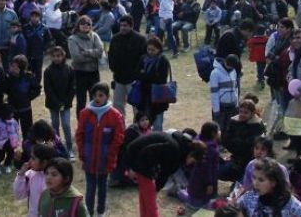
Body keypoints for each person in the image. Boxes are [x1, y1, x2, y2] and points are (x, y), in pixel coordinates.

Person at [125, 130, 205, 217]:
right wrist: (132, 168)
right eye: (193, 161)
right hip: (138, 156)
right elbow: (146, 153)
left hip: (143, 159)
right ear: (191, 154)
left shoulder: (180, 148)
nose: (191, 164)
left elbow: (165, 171)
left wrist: (157, 187)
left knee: (146, 196)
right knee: (150, 201)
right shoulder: (173, 149)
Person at [74, 82, 125, 217]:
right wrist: (82, 152)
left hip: (105, 158)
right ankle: (89, 213)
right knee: (90, 187)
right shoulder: (85, 113)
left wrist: (111, 154)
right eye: (95, 95)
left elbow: (119, 137)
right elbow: (79, 135)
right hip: (89, 157)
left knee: (102, 186)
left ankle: (101, 212)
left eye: (101, 95)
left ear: (107, 96)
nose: (97, 98)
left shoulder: (115, 115)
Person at [236, 158, 301, 217]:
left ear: (273, 182)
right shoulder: (249, 197)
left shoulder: (288, 201)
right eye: (254, 177)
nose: (255, 183)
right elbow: (232, 208)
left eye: (261, 180)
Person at [108, 15, 147, 119]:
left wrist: (139, 75)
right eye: (121, 25)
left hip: (134, 80)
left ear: (131, 26)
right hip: (119, 78)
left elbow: (144, 59)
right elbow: (110, 55)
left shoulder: (140, 39)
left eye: (125, 25)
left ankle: (138, 127)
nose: (122, 28)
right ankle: (120, 127)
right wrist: (113, 68)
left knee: (137, 106)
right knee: (117, 106)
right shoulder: (115, 39)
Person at [220, 99, 266, 182]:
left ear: (252, 113)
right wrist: (238, 143)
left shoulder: (257, 125)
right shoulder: (233, 121)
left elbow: (251, 144)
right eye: (240, 111)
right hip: (236, 159)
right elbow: (225, 140)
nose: (242, 114)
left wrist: (236, 142)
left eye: (246, 112)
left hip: (251, 161)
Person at [68, 15, 104, 118]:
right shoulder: (72, 39)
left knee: (96, 99)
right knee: (81, 101)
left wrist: (86, 52)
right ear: (78, 25)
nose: (85, 26)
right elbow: (76, 58)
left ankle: (96, 120)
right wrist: (93, 56)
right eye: (82, 23)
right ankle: (81, 122)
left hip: (94, 73)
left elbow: (100, 51)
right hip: (79, 73)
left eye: (88, 24)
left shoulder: (94, 36)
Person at [179, 122, 220, 212]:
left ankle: (181, 193)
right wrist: (209, 184)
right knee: (199, 205)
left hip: (195, 178)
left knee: (193, 198)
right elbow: (206, 169)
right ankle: (179, 193)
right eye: (218, 131)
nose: (219, 133)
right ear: (213, 133)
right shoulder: (211, 149)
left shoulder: (199, 141)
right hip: (204, 182)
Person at [43, 46, 76, 158]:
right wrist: (57, 102)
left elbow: (73, 87)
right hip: (53, 104)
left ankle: (69, 148)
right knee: (55, 125)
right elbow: (48, 89)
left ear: (63, 56)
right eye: (54, 56)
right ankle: (57, 148)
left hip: (66, 103)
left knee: (66, 125)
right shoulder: (48, 71)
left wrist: (67, 101)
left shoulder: (69, 69)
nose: (56, 58)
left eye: (59, 56)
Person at [135, 37, 173, 131]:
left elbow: (161, 79)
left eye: (153, 50)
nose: (150, 52)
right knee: (143, 122)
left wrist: (145, 75)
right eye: (149, 49)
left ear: (159, 49)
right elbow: (137, 74)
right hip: (144, 96)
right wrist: (148, 75)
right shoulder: (143, 58)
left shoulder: (162, 60)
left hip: (157, 97)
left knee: (157, 123)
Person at [13, 143, 57, 217]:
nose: (29, 161)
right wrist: (20, 175)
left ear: (44, 162)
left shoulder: (55, 177)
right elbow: (19, 195)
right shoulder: (30, 175)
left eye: (33, 158)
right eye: (30, 157)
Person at [4, 55, 40, 139]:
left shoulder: (28, 76)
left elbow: (37, 89)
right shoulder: (9, 78)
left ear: (21, 67)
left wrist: (28, 97)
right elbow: (5, 89)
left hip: (25, 109)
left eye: (15, 66)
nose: (12, 68)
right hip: (13, 109)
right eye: (12, 65)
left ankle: (27, 147)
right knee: (12, 132)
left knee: (27, 132)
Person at [0, 104, 22, 175]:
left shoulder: (13, 121)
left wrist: (17, 139)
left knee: (11, 155)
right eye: (11, 113)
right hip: (0, 144)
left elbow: (16, 130)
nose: (13, 114)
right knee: (0, 156)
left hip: (11, 142)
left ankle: (7, 165)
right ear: (5, 114)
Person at [209, 55, 239, 131]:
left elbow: (236, 88)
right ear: (226, 62)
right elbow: (214, 93)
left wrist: (236, 104)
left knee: (231, 129)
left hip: (232, 106)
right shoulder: (215, 73)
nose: (231, 68)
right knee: (219, 130)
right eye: (230, 66)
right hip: (221, 107)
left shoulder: (233, 71)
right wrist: (216, 110)